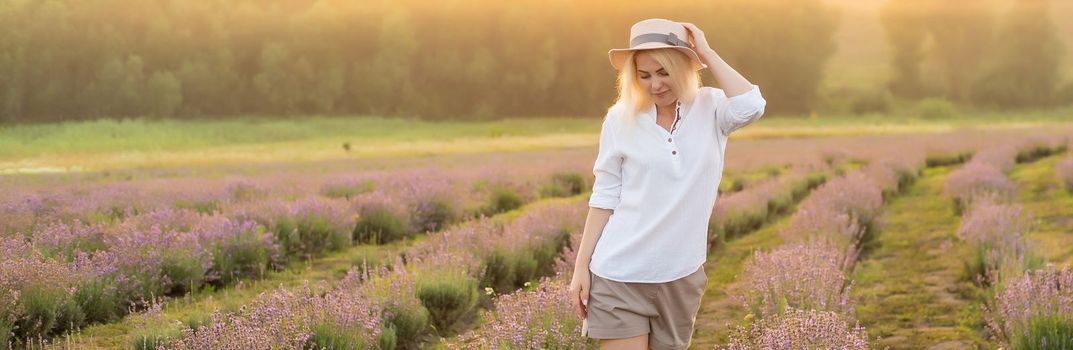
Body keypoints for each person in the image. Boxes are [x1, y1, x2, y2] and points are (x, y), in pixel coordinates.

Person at [568, 18, 767, 350]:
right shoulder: (620, 119)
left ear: (684, 68)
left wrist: (706, 51)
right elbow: (604, 196)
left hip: (681, 275)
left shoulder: (712, 107)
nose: (655, 84)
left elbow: (752, 106)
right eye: (644, 75)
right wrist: (581, 268)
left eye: (663, 72)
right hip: (619, 274)